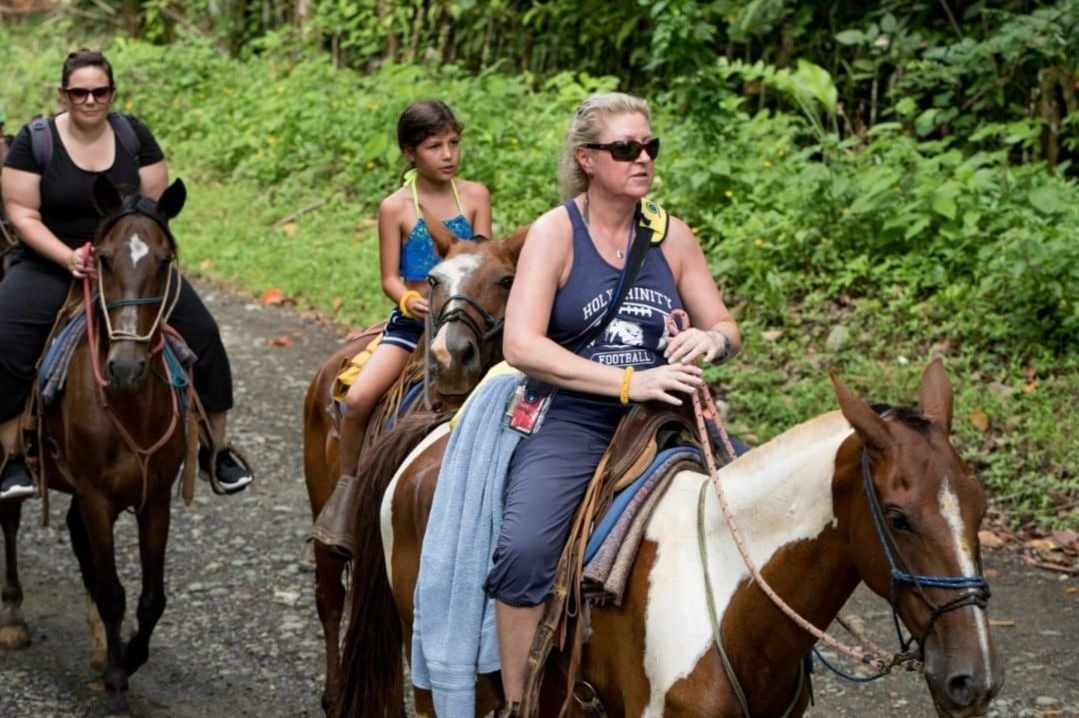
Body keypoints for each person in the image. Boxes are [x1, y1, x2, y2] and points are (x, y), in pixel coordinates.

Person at [487, 92, 742, 707]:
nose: (643, 158)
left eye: (649, 146)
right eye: (625, 148)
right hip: (575, 415)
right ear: (588, 159)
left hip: (669, 414)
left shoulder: (671, 236)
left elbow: (728, 328)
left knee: (764, 518)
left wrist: (710, 340)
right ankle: (522, 702)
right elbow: (521, 345)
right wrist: (630, 382)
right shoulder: (555, 233)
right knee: (523, 550)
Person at [0, 49, 253, 500]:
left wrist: (122, 253)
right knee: (7, 339)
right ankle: (12, 456)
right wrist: (68, 256)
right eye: (79, 92)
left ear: (112, 93)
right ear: (64, 94)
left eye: (99, 91)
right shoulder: (34, 140)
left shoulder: (134, 136)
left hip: (127, 262)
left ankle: (218, 448)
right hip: (52, 259)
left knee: (206, 334)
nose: (90, 100)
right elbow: (22, 212)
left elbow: (152, 209)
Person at [311, 99, 492, 556]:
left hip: (467, 319)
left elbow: (484, 261)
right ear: (411, 153)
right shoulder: (394, 208)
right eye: (435, 146)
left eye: (453, 143)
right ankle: (347, 495)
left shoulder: (474, 196)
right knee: (357, 399)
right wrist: (408, 299)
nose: (448, 154)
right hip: (415, 324)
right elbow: (389, 277)